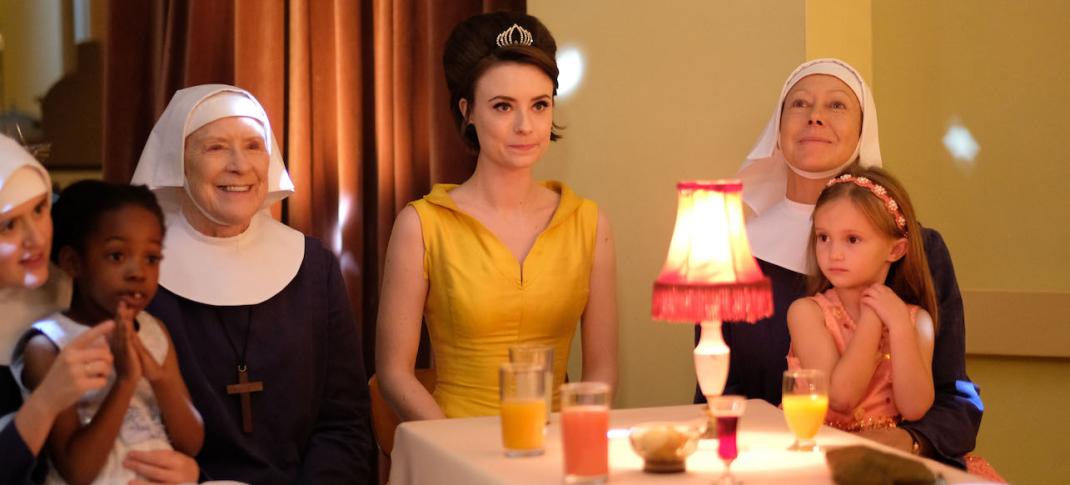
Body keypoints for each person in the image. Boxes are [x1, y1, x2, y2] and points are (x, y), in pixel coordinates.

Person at [702, 58, 983, 468]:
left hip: (895, 465)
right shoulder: (732, 251)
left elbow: (954, 399)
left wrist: (901, 442)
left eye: (836, 105)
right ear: (776, 131)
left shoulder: (920, 247)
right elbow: (716, 393)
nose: (815, 117)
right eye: (799, 104)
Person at [376, 11, 618, 420]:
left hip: (557, 450)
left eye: (540, 105)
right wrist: (459, 451)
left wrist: (568, 444)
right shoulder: (422, 224)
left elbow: (602, 370)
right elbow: (394, 374)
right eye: (503, 106)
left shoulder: (589, 223)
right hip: (451, 450)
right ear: (467, 111)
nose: (526, 125)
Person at [131, 84, 374, 483]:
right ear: (178, 163)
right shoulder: (142, 279)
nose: (239, 165)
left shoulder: (314, 269)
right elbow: (130, 422)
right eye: (215, 148)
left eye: (253, 145)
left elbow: (344, 421)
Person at [0, 135, 199, 485]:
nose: (37, 239)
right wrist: (51, 397)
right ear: (75, 261)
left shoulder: (88, 292)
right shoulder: (48, 342)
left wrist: (191, 471)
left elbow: (187, 439)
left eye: (39, 209)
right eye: (8, 224)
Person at [787, 167, 937, 430]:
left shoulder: (915, 321)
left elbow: (914, 408)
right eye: (824, 237)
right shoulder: (807, 313)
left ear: (895, 249)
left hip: (884, 457)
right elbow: (841, 398)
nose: (834, 254)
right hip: (817, 447)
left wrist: (900, 327)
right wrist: (872, 317)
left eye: (852, 239)